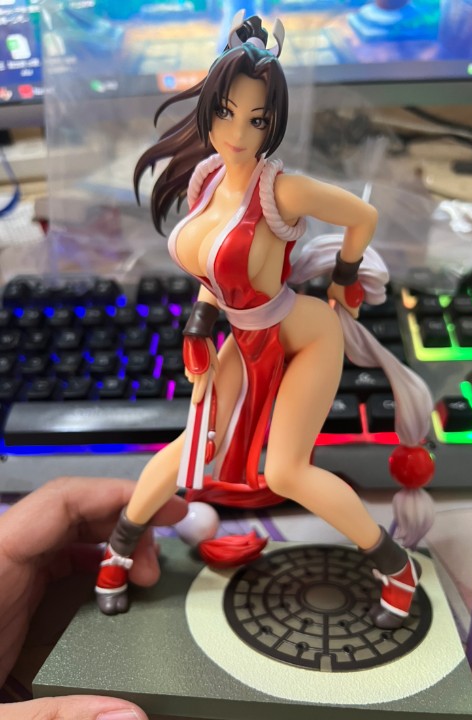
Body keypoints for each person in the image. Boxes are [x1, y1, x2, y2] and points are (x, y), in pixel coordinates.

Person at [96, 13, 434, 627]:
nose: (238, 132)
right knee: (193, 445)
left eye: (257, 120)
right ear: (208, 108)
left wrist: (345, 277)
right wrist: (200, 324)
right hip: (243, 337)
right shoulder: (205, 180)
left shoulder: (282, 191)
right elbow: (213, 275)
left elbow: (363, 217)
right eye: (227, 113)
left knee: (286, 471)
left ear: (273, 123)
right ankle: (118, 548)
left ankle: (396, 568)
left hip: (303, 336)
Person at [0, 476, 187, 720]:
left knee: (123, 585)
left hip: (116, 574)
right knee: (112, 589)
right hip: (109, 580)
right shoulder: (115, 549)